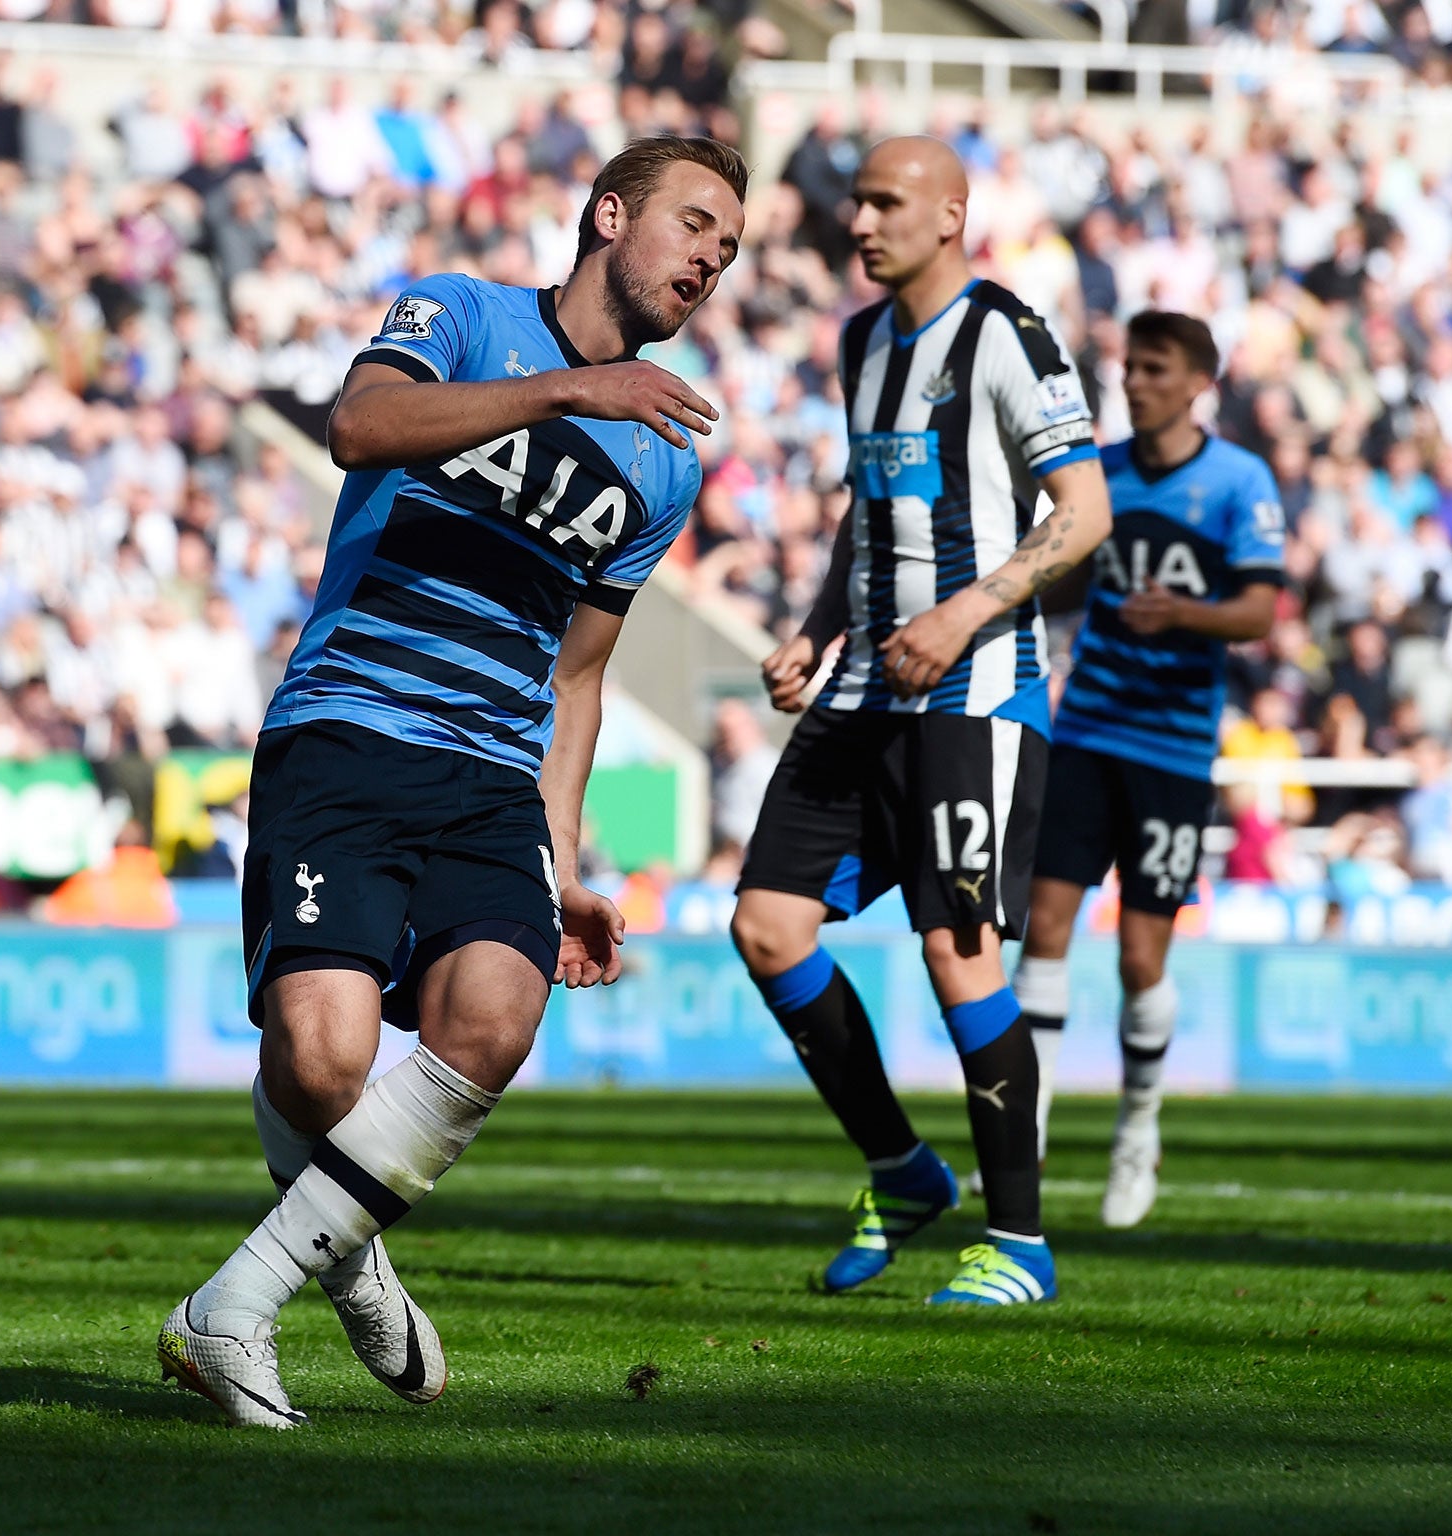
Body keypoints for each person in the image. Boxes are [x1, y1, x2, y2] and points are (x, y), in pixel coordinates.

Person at [158, 136, 747, 1427]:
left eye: (730, 246)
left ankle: (235, 1305)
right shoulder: (464, 314)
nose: (712, 256)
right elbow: (358, 427)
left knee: (494, 1019)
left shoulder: (665, 459)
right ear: (609, 215)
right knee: (322, 1065)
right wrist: (560, 394)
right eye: (694, 223)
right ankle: (349, 1254)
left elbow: (580, 678)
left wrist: (568, 861)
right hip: (350, 730)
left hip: (488, 771)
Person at [732, 137, 1111, 1307]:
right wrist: (814, 626)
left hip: (973, 691)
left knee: (957, 954)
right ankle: (900, 1167)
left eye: (885, 203)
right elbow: (867, 505)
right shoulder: (859, 340)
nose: (859, 222)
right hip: (862, 687)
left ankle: (1020, 1244)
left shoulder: (1003, 333)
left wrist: (961, 615)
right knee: (765, 927)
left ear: (950, 215)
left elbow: (1083, 510)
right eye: (854, 203)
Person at [1008, 312, 1284, 1231]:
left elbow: (1258, 612)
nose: (1135, 383)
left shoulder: (1240, 481)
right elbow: (1060, 580)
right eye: (1131, 368)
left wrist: (1185, 615)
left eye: (1155, 370)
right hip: (1086, 730)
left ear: (1199, 379)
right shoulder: (1105, 474)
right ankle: (1024, 1145)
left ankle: (1138, 1133)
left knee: (1138, 954)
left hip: (1173, 746)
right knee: (1043, 930)